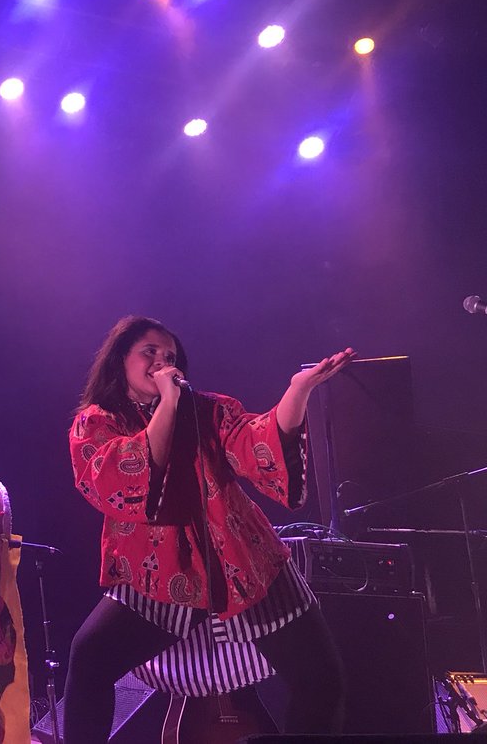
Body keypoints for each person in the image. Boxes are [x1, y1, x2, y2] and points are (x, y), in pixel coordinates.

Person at [64, 315, 353, 743]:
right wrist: (167, 402)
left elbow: (257, 441)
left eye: (170, 356)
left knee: (322, 677)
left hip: (243, 560)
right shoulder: (98, 421)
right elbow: (123, 477)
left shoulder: (207, 410)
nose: (163, 362)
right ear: (120, 359)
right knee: (89, 658)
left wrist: (299, 390)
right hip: (158, 572)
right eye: (150, 352)